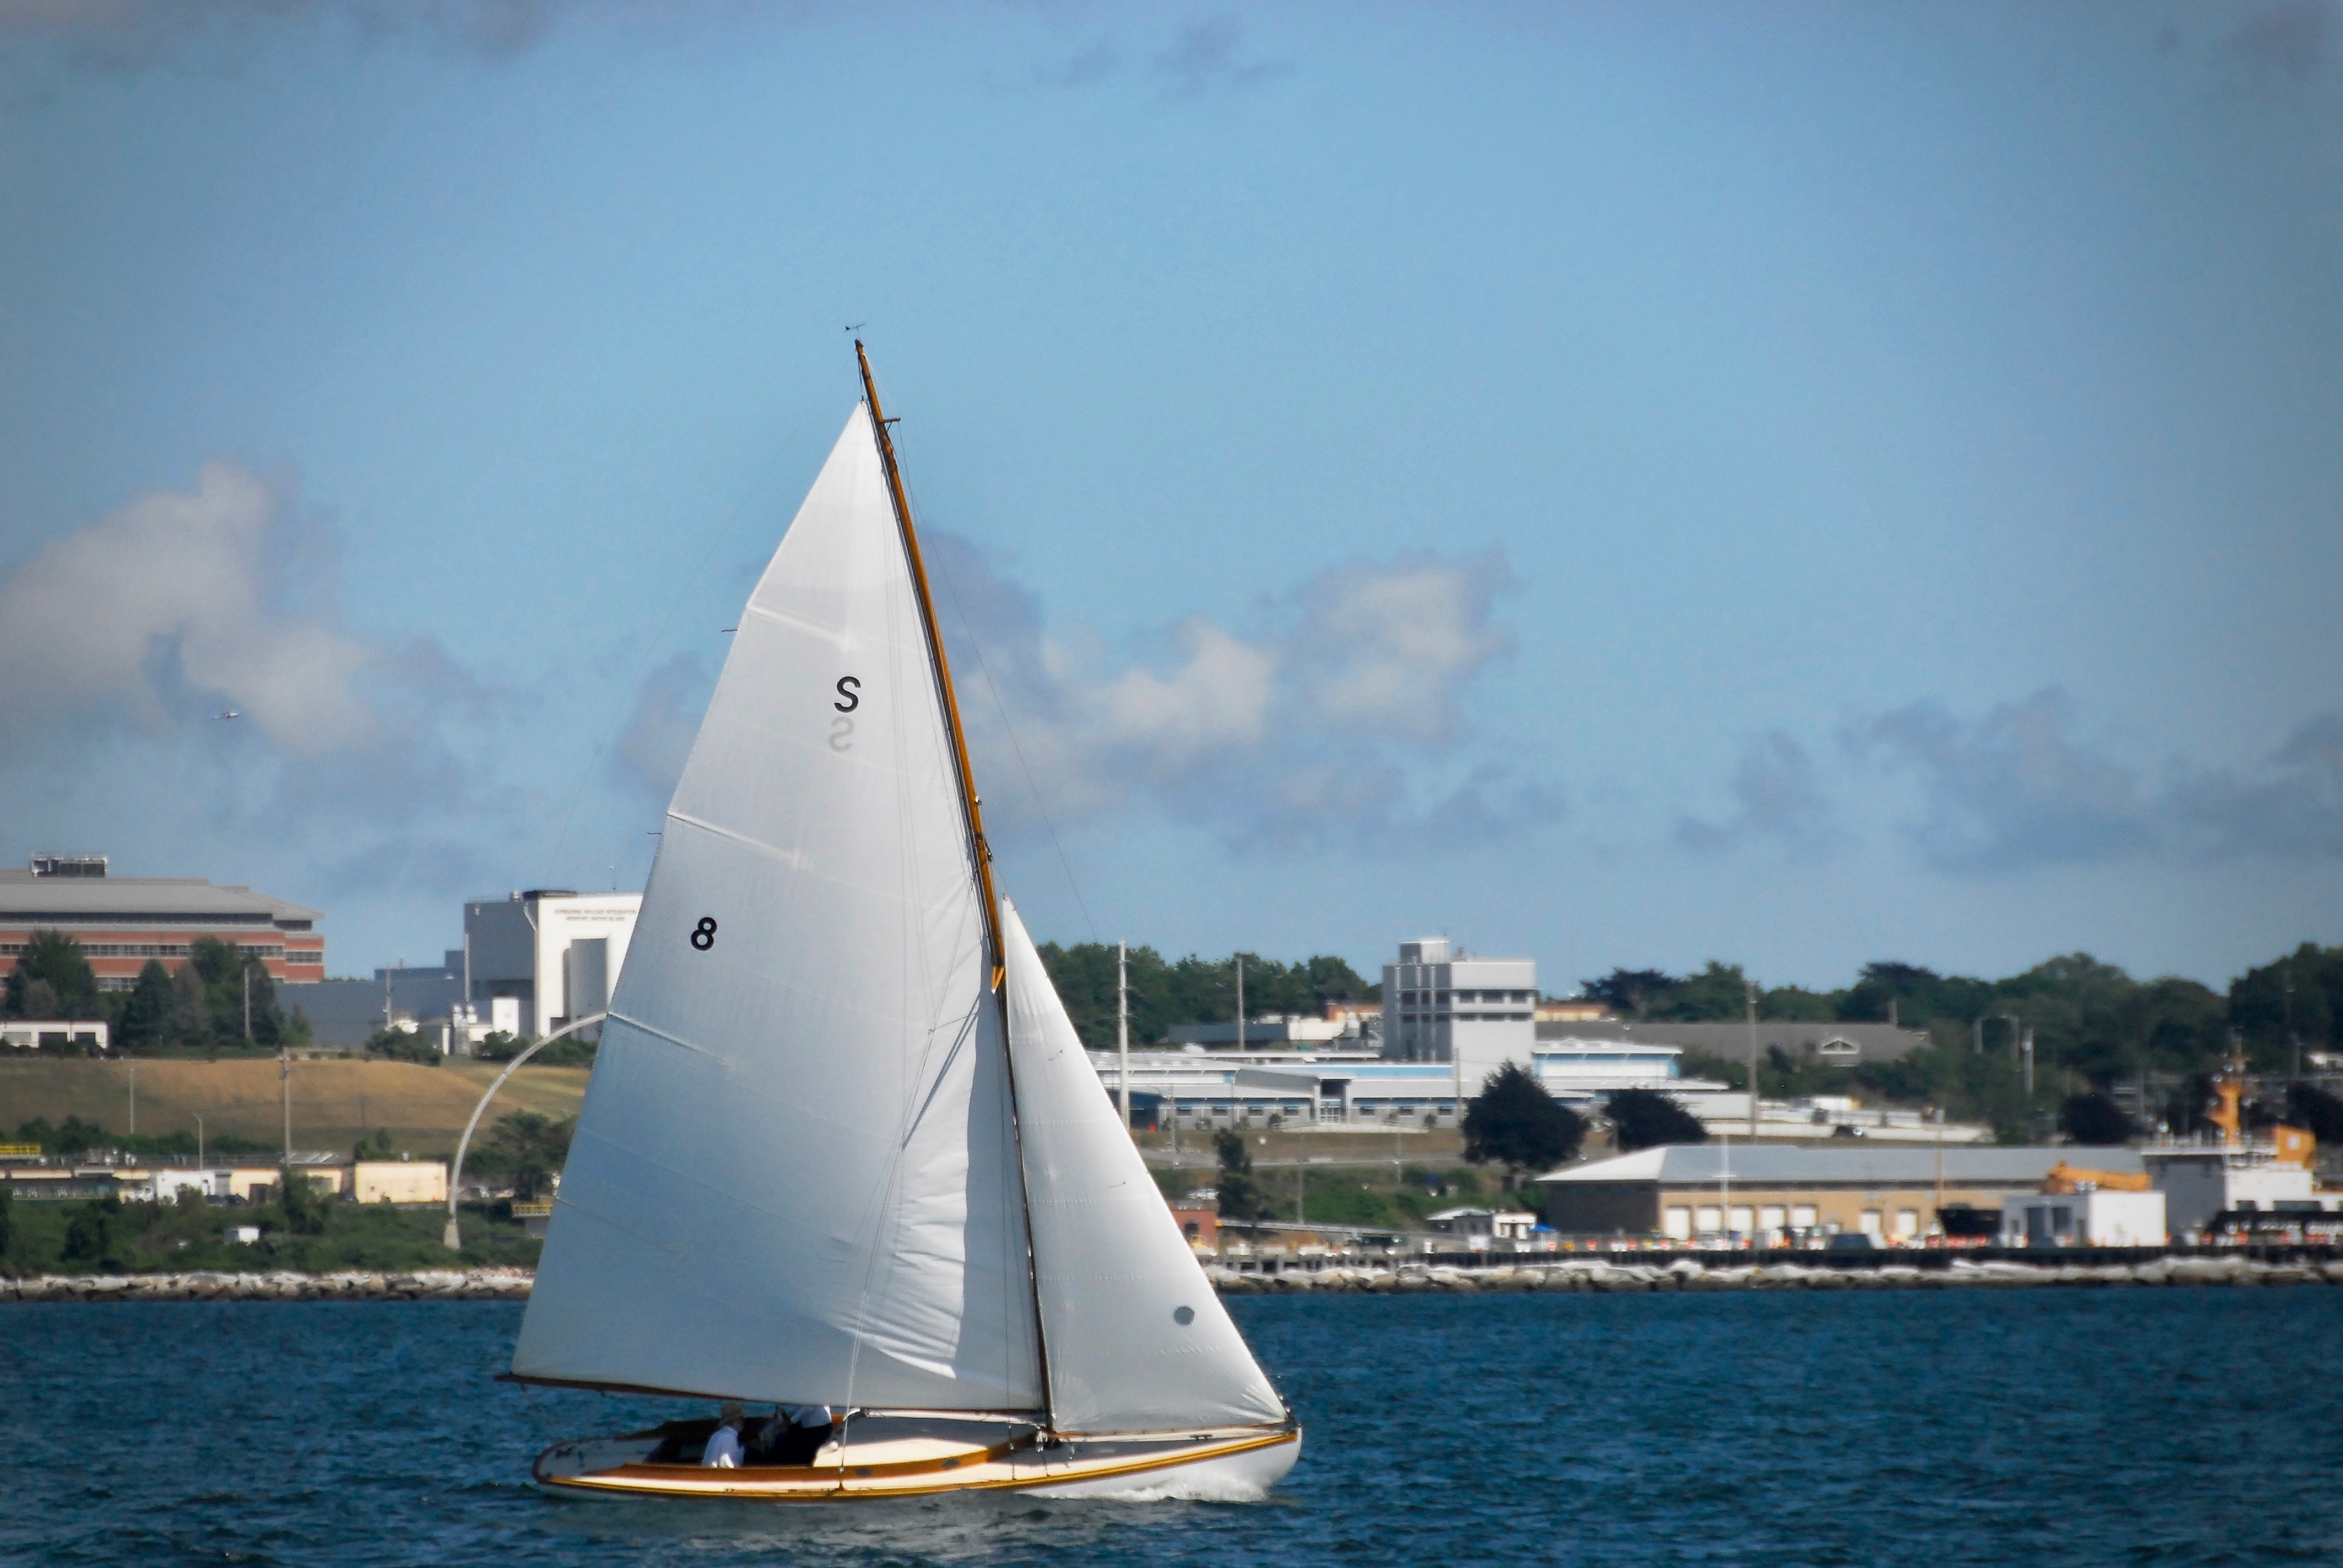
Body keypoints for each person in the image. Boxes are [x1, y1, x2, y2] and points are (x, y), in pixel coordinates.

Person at [701, 1402, 746, 1468]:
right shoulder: (729, 1438)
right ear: (736, 1420)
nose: (743, 1421)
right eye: (741, 1418)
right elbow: (727, 1467)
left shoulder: (716, 1435)